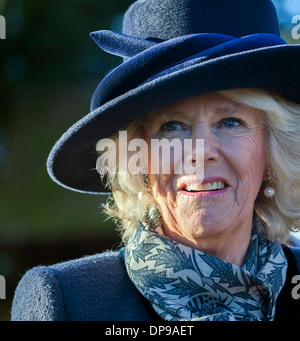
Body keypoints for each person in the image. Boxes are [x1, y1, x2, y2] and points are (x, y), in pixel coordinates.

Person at [11, 0, 300, 321]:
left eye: (230, 121)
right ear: (139, 155)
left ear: (272, 148)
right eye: (172, 126)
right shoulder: (68, 301)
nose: (200, 151)